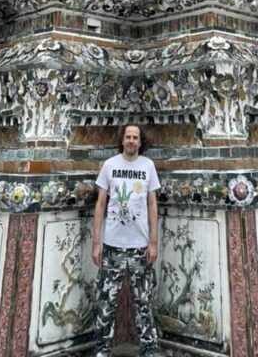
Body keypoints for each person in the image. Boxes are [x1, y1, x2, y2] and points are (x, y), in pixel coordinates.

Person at [92, 123, 160, 357]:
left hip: (140, 246)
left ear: (141, 142)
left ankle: (149, 349)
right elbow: (100, 204)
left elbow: (152, 204)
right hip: (112, 245)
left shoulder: (148, 166)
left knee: (144, 300)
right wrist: (96, 241)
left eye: (135, 138)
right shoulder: (110, 165)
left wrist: (153, 241)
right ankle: (102, 349)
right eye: (128, 137)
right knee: (107, 300)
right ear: (122, 140)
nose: (131, 141)